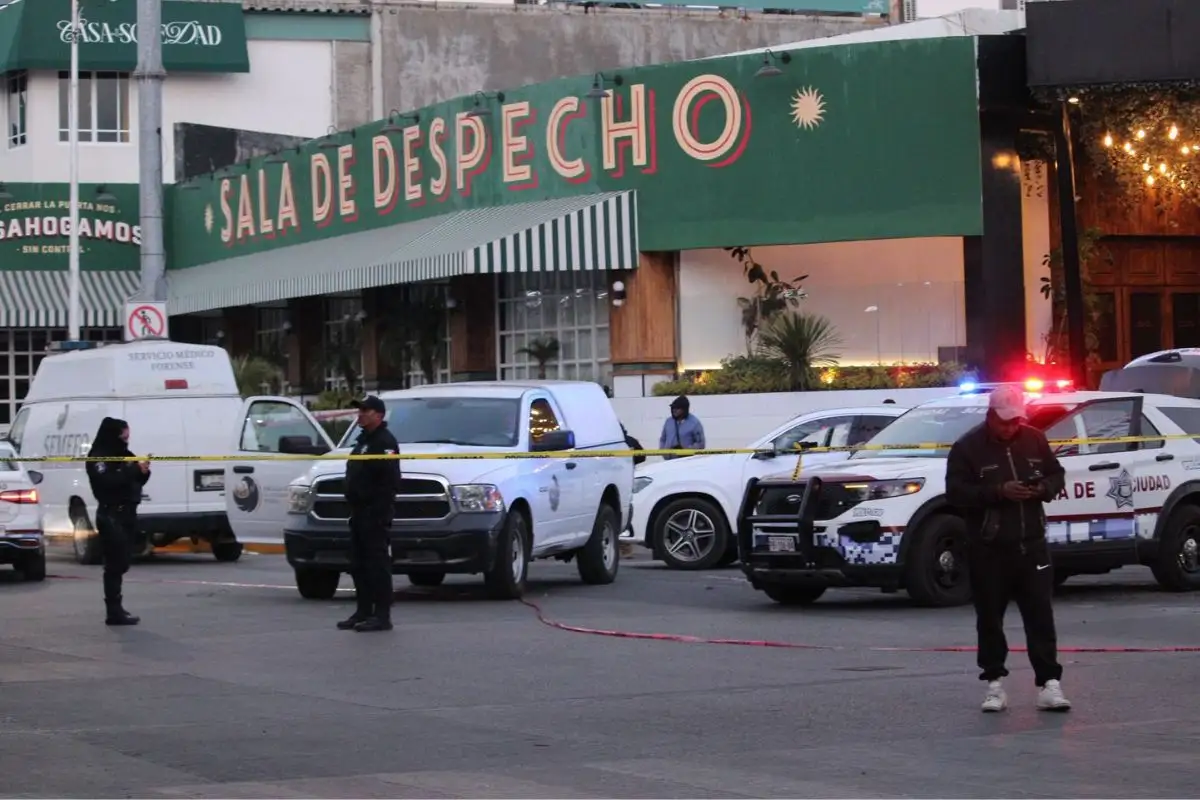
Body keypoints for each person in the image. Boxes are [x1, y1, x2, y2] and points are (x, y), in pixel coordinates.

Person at [945, 384, 1071, 713]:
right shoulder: (967, 448)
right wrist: (999, 491)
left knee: (1040, 615)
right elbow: (956, 493)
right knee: (989, 618)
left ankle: (1049, 683)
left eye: (1016, 421)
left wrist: (1042, 488)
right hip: (989, 548)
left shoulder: (1034, 439)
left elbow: (1057, 475)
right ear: (990, 416)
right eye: (1005, 421)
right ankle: (994, 684)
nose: (1011, 427)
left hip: (1032, 546)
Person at [339, 395, 401, 633]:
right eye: (359, 410)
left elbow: (389, 481)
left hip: (374, 513)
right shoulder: (364, 441)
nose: (360, 414)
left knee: (377, 563)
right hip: (358, 512)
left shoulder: (385, 442)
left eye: (366, 410)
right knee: (358, 563)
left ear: (379, 414)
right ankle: (363, 610)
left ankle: (382, 615)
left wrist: (377, 511)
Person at [85, 417, 150, 627]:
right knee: (115, 564)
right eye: (123, 435)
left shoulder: (124, 454)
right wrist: (132, 470)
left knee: (123, 562)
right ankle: (113, 611)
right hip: (111, 515)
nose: (126, 439)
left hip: (128, 514)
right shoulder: (98, 458)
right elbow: (108, 482)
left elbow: (134, 478)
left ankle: (117, 608)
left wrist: (143, 471)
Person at [658, 395, 705, 460]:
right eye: (673, 408)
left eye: (677, 408)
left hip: (686, 461)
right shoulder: (668, 421)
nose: (674, 410)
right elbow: (663, 439)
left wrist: (686, 451)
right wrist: (663, 451)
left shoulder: (694, 423)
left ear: (684, 409)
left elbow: (701, 444)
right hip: (668, 461)